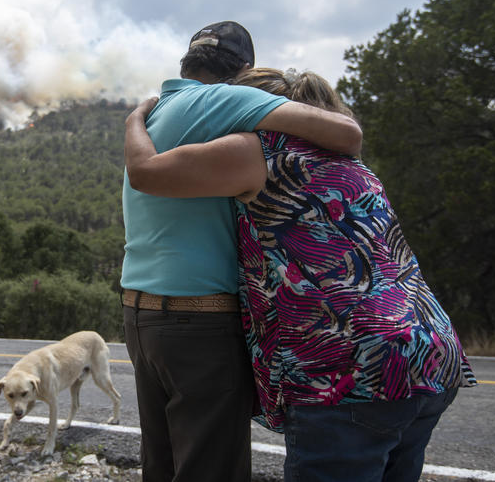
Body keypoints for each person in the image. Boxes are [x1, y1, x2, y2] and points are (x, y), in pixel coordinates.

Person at [125, 67, 477, 482]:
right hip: (428, 355)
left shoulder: (259, 149)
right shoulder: (352, 164)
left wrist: (135, 120)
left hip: (348, 370)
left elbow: (148, 173)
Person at [120, 23, 363, 482]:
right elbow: (347, 134)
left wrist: (133, 119)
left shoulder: (154, 118)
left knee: (162, 463)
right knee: (212, 467)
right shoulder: (225, 99)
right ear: (243, 72)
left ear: (187, 64)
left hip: (140, 317)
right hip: (200, 321)